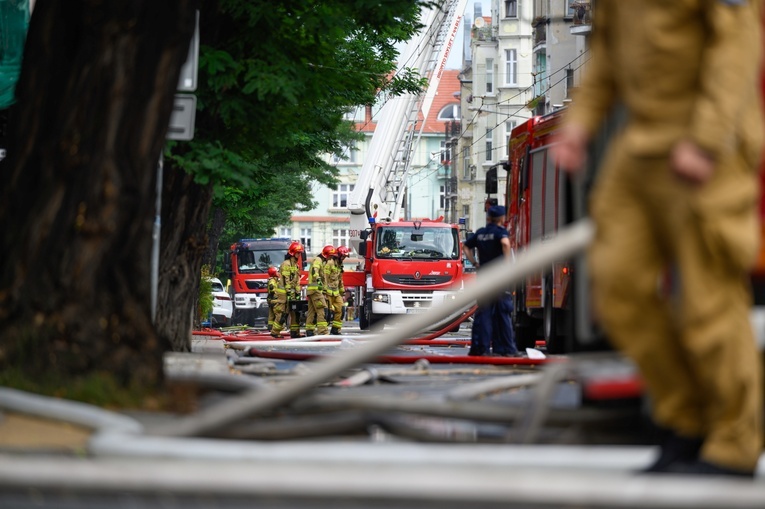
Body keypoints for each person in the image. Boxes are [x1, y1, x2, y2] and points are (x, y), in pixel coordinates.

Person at [552, 1, 764, 477]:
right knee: (616, 287)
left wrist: (707, 140)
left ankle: (733, 443)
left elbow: (737, 47)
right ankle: (685, 421)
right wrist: (581, 123)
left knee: (707, 304)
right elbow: (607, 52)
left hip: (706, 141)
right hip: (639, 145)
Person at [462, 205, 519, 357]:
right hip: (499, 277)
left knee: (484, 313)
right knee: (503, 313)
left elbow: (466, 247)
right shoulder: (500, 232)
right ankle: (506, 349)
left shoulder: (480, 233)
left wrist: (475, 263)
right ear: (501, 218)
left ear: (489, 218)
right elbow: (506, 244)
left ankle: (481, 348)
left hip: (484, 277)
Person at [271, 241, 304, 339]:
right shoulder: (286, 264)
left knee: (295, 312)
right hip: (283, 294)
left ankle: (295, 332)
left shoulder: (296, 265)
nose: (299, 255)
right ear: (293, 253)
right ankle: (275, 331)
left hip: (292, 293)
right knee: (282, 313)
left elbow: (297, 280)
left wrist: (298, 292)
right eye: (298, 253)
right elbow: (286, 280)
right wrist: (289, 292)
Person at [305, 246, 331, 336]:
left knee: (311, 311)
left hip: (312, 290)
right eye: (330, 256)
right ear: (326, 255)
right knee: (321, 310)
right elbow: (315, 271)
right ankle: (322, 331)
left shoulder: (320, 261)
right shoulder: (318, 260)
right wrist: (319, 280)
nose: (331, 258)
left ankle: (309, 330)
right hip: (316, 290)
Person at [323, 245, 344, 335]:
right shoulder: (330, 263)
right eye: (343, 256)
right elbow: (325, 277)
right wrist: (324, 291)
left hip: (336, 292)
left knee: (341, 309)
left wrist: (342, 289)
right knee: (326, 313)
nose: (344, 258)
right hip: (328, 292)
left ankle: (335, 329)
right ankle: (323, 330)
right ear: (338, 255)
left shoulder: (340, 264)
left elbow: (340, 279)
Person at [266, 266, 280, 331]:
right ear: (274, 273)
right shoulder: (272, 281)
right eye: (277, 272)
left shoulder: (273, 280)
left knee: (271, 314)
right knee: (277, 313)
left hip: (271, 300)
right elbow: (273, 290)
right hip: (274, 299)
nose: (278, 273)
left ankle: (270, 327)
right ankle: (276, 328)